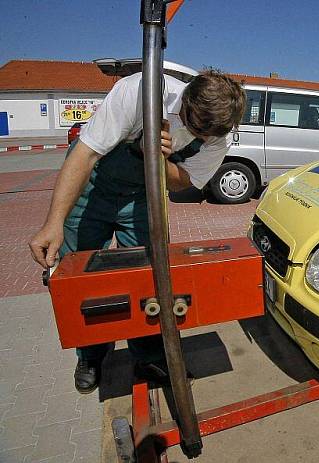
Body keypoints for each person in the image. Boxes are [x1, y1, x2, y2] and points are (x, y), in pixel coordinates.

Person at [29, 69, 246, 393]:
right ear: (185, 99)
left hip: (143, 196)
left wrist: (157, 157)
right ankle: (90, 356)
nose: (201, 137)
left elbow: (183, 181)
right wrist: (54, 222)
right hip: (92, 188)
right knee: (87, 280)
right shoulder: (139, 91)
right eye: (195, 126)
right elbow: (85, 154)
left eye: (209, 134)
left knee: (150, 279)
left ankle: (149, 356)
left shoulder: (216, 136)